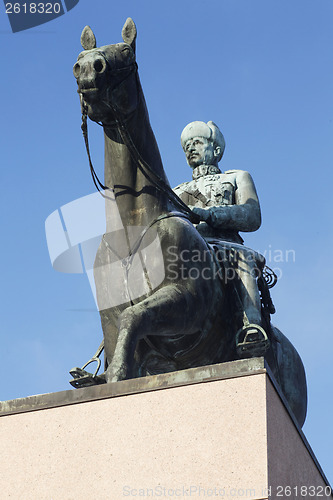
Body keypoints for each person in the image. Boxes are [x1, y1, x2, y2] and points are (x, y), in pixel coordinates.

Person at [173, 120, 270, 357]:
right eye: (187, 146)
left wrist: (210, 214)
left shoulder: (236, 177)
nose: (191, 149)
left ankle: (251, 325)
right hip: (186, 251)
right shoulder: (175, 190)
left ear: (215, 150)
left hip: (224, 245)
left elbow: (251, 216)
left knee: (240, 258)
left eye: (197, 142)